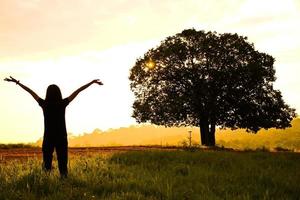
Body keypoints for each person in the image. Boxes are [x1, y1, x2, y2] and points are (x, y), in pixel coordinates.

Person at [4, 76, 103, 178]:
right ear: (59, 93)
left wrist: (17, 82)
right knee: (63, 164)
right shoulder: (63, 103)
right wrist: (91, 82)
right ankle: (64, 183)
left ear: (47, 93)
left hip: (48, 137)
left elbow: (30, 91)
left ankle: (47, 184)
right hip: (61, 137)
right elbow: (78, 91)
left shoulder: (44, 104)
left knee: (47, 165)